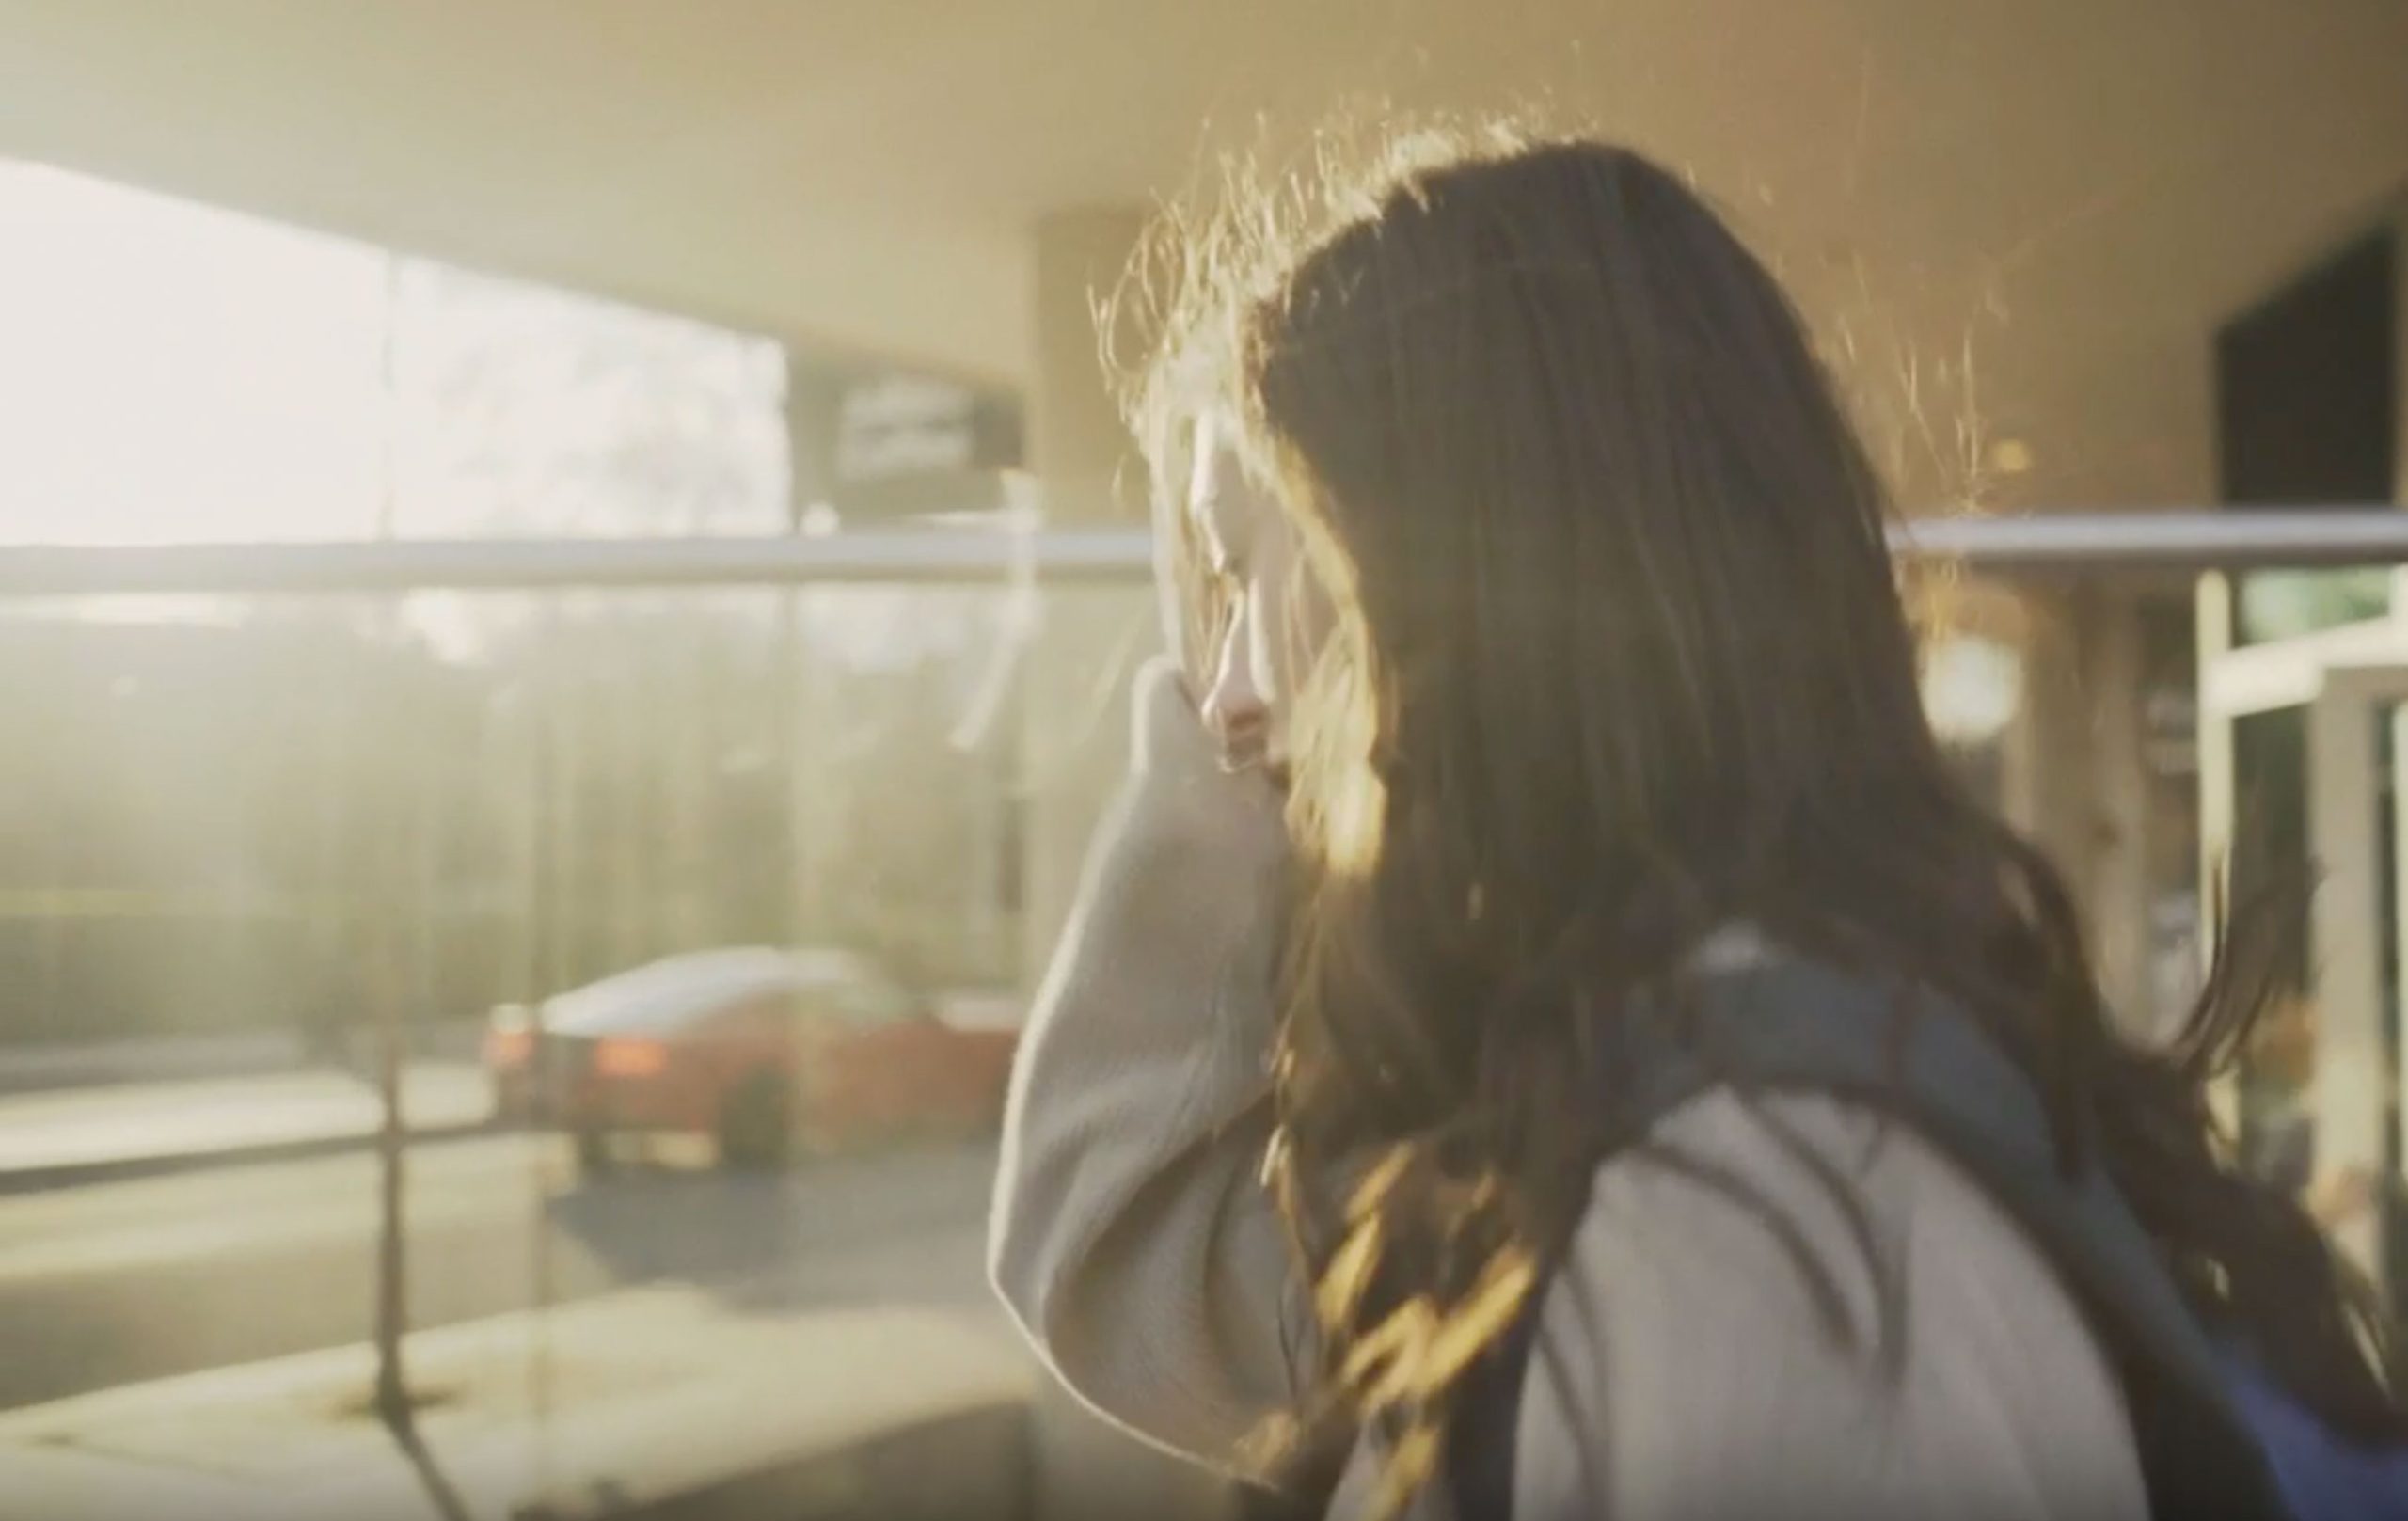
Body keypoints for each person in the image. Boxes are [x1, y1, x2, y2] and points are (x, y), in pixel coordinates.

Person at [990, 128, 2408, 1520]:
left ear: (1441, 593)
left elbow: (1134, 1265)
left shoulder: (1755, 1236)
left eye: (1249, 580)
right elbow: (1128, 1255)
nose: (1221, 698)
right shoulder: (1670, 1110)